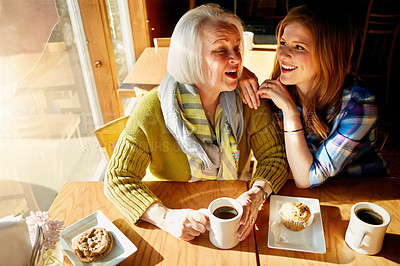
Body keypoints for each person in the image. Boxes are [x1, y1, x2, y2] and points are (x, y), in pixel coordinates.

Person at [105, 4, 289, 243]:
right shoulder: (153, 109)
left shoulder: (248, 99)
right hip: (176, 218)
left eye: (236, 47)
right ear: (190, 58)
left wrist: (256, 194)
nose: (236, 58)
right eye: (221, 50)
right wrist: (166, 217)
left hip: (234, 217)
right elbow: (117, 177)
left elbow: (275, 158)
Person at [239, 3, 387, 189]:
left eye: (299, 47)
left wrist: (291, 113)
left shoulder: (359, 104)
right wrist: (238, 72)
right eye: (283, 43)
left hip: (361, 193)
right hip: (308, 199)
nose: (283, 54)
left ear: (329, 55)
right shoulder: (278, 94)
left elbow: (306, 178)